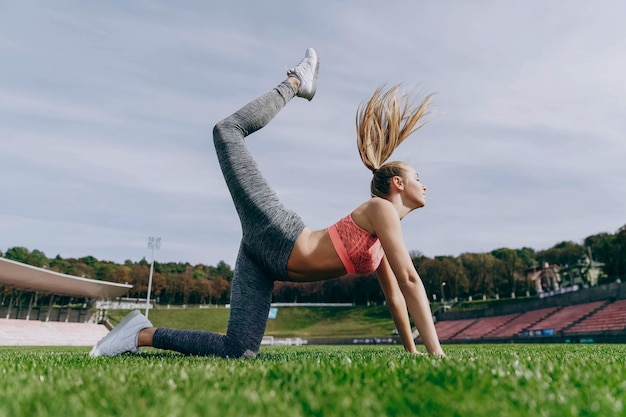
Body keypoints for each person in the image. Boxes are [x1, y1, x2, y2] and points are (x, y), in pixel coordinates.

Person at [90, 48, 445, 359]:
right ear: (397, 184)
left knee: (238, 349)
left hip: (265, 262)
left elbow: (397, 298)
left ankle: (141, 335)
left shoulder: (383, 238)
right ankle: (295, 81)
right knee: (226, 131)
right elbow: (411, 281)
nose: (423, 184)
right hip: (277, 233)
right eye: (417, 178)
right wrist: (437, 354)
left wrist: (412, 353)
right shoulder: (380, 209)